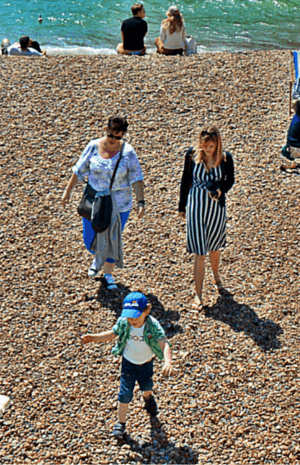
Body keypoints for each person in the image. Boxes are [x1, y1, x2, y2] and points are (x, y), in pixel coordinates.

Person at [61, 115, 145, 293]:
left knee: (112, 239)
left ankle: (108, 274)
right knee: (89, 238)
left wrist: (141, 201)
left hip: (119, 204)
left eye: (118, 137)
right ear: (106, 131)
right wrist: (67, 191)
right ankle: (98, 256)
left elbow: (137, 177)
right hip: (94, 201)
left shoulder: (128, 152)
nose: (114, 140)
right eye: (111, 136)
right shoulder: (93, 146)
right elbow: (79, 170)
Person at [81, 290, 173, 442]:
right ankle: (120, 423)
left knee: (146, 386)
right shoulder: (124, 322)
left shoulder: (152, 325)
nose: (131, 319)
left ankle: (148, 398)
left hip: (146, 363)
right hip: (128, 363)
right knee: (124, 393)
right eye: (129, 315)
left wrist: (167, 361)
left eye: (135, 315)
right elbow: (112, 334)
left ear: (147, 310)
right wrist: (93, 338)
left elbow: (164, 344)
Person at [177, 127, 235, 310]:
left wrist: (220, 189)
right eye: (205, 145)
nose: (208, 149)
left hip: (216, 207)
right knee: (199, 251)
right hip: (196, 204)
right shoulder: (192, 155)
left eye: (212, 145)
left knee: (215, 247)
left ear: (217, 144)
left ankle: (217, 276)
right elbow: (185, 179)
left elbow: (230, 180)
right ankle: (198, 294)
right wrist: (181, 206)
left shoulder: (225, 158)